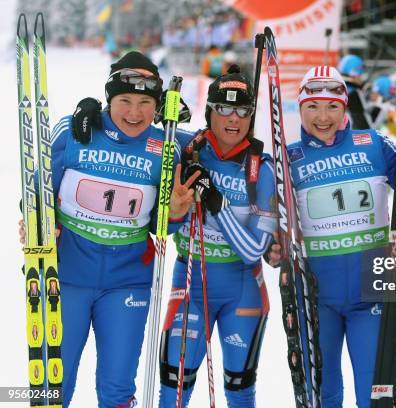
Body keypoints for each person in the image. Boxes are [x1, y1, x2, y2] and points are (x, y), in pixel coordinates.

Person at [18, 51, 198, 407]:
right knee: (53, 386)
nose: (134, 113)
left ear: (158, 105)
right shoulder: (75, 130)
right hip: (65, 275)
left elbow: (162, 224)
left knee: (117, 388)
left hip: (127, 280)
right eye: (125, 101)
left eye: (146, 102)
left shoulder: (166, 148)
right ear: (109, 98)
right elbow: (36, 190)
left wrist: (177, 212)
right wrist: (37, 221)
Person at [158, 65, 277, 407]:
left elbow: (254, 251)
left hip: (242, 288)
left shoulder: (261, 169)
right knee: (173, 384)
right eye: (224, 108)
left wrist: (215, 202)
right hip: (190, 279)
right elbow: (144, 132)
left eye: (243, 111)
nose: (233, 118)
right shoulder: (186, 148)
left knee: (239, 388)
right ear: (210, 110)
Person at [283, 66, 396, 407]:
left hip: (372, 292)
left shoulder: (374, 144)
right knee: (324, 391)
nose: (323, 117)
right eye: (313, 107)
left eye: (332, 106)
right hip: (318, 296)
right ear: (300, 108)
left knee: (375, 392)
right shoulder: (288, 158)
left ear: (345, 106)